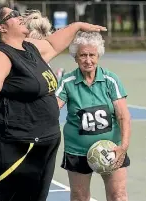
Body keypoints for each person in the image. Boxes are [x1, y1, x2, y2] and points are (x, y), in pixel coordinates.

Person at [0, 4, 106, 201]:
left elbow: (54, 45)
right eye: (13, 15)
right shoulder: (0, 54)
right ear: (2, 28)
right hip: (17, 146)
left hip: (43, 143)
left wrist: (77, 26)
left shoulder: (30, 47)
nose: (20, 16)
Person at [56, 31, 131, 201]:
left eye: (92, 55)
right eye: (83, 55)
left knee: (118, 195)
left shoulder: (111, 80)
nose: (88, 60)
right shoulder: (67, 82)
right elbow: (52, 109)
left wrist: (123, 147)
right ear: (75, 57)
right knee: (79, 197)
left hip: (112, 149)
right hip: (77, 150)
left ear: (98, 56)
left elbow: (123, 116)